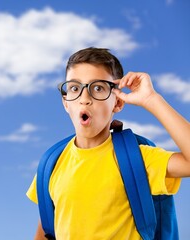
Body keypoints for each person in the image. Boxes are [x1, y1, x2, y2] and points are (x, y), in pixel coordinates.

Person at [26, 47, 190, 239]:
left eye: (98, 88)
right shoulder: (50, 165)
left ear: (118, 103)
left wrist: (151, 99)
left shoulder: (138, 158)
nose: (84, 99)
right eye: (74, 88)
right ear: (65, 102)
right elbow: (46, 231)